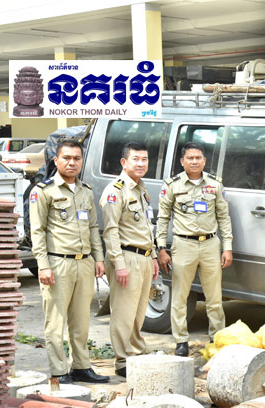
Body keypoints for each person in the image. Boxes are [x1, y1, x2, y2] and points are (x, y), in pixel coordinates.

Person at [29, 140, 109, 384]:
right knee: (55, 321)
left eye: (77, 158)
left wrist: (98, 258)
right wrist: (43, 265)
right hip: (57, 263)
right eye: (67, 158)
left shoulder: (85, 191)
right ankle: (59, 371)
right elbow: (37, 231)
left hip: (83, 263)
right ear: (56, 160)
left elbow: (93, 227)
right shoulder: (43, 191)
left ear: (81, 161)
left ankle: (81, 366)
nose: (72, 162)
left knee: (81, 320)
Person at [157, 142, 233, 356]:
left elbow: (224, 217)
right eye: (190, 158)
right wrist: (161, 248)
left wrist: (227, 247)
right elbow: (162, 219)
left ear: (204, 161)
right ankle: (181, 341)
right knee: (180, 296)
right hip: (183, 245)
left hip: (210, 245)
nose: (194, 161)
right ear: (182, 161)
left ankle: (217, 338)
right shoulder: (172, 185)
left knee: (214, 297)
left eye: (198, 157)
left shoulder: (214, 184)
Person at [100, 142, 159, 377]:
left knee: (138, 311)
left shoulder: (141, 189)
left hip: (143, 257)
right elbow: (111, 231)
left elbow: (146, 227)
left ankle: (136, 351)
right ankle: (123, 360)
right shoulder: (115, 191)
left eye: (144, 159)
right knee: (123, 312)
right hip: (126, 257)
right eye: (136, 159)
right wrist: (119, 265)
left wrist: (153, 256)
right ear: (124, 162)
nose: (141, 163)